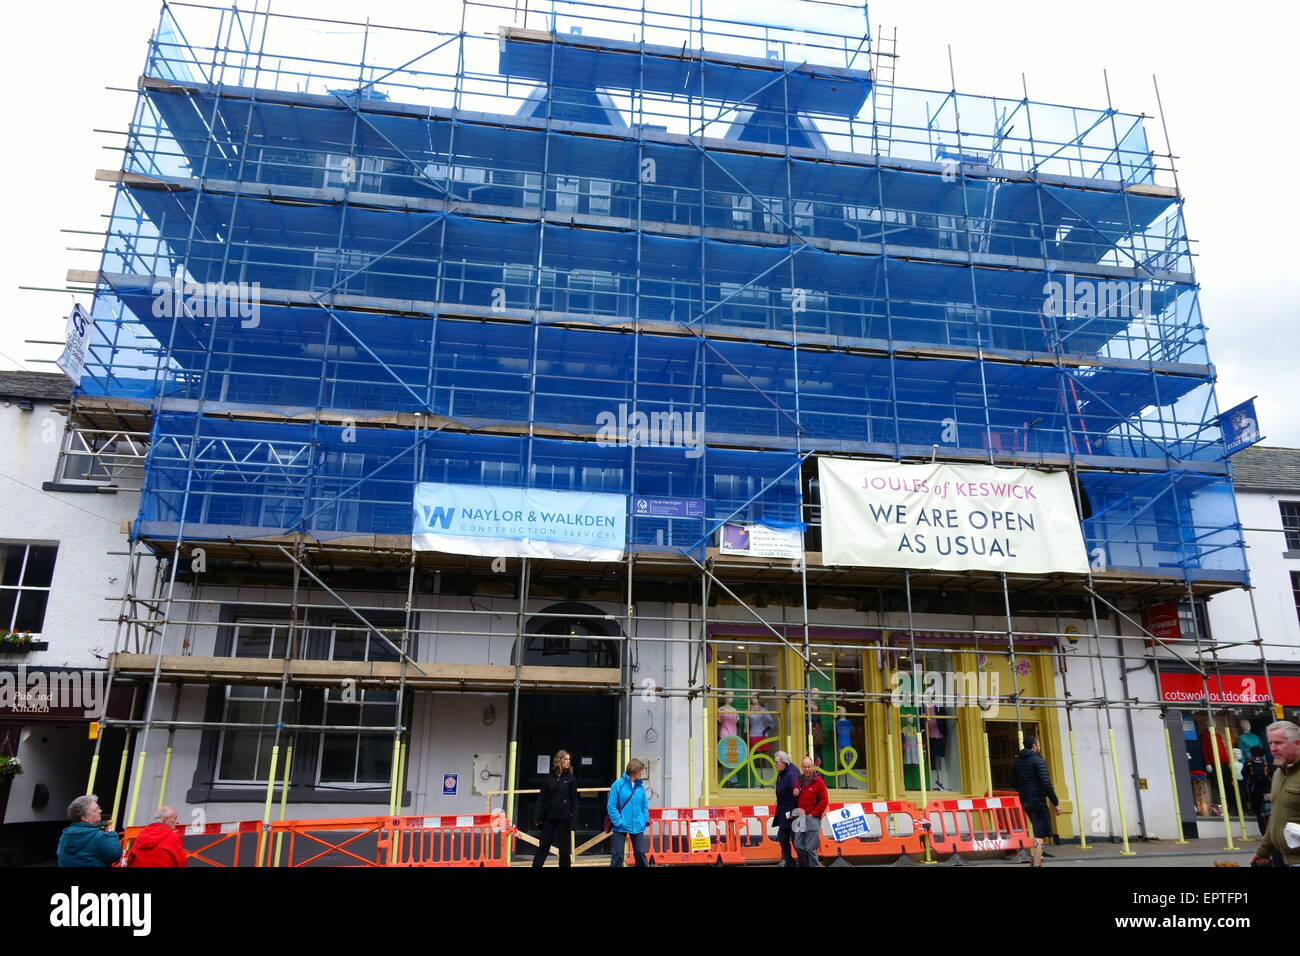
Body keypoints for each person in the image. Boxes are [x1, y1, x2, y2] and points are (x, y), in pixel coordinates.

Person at [1250, 720, 1300, 868]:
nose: (1273, 748)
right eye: (1270, 743)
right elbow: (1276, 817)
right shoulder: (1279, 773)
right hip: (1285, 859)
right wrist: (1263, 851)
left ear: (1297, 743)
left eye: (1278, 743)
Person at [1010, 735, 1060, 867]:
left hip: (1025, 801)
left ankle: (1037, 861)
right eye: (1038, 744)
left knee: (1038, 829)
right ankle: (1037, 863)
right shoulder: (1038, 761)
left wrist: (1024, 789)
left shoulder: (1016, 762)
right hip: (1037, 800)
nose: (1040, 746)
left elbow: (1013, 783)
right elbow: (1046, 784)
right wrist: (1055, 803)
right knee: (1040, 832)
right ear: (1034, 746)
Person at [532, 749, 578, 868]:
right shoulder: (549, 778)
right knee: (543, 846)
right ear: (559, 760)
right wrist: (537, 817)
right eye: (566, 759)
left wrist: (573, 823)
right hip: (549, 818)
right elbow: (542, 798)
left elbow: (574, 801)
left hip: (564, 819)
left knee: (564, 850)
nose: (568, 762)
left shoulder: (571, 779)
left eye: (569, 759)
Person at [57, 795, 122, 867]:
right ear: (84, 818)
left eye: (99, 808)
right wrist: (112, 834)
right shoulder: (98, 836)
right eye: (95, 810)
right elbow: (115, 854)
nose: (100, 811)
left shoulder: (65, 835)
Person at [607, 757, 650, 867]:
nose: (641, 773)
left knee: (640, 853)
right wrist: (618, 822)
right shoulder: (618, 785)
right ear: (634, 771)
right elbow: (611, 806)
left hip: (637, 824)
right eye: (640, 771)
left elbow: (644, 805)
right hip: (620, 825)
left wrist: (644, 819)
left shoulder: (640, 786)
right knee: (618, 855)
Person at [790, 755, 828, 867]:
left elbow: (824, 801)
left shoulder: (819, 782)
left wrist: (813, 814)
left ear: (813, 767)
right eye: (804, 767)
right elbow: (796, 797)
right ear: (802, 768)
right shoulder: (799, 780)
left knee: (811, 848)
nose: (807, 769)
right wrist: (795, 794)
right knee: (798, 845)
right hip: (800, 817)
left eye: (809, 767)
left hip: (812, 818)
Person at [772, 750, 799, 866]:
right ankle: (789, 862)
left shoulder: (791, 774)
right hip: (784, 812)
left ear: (784, 762)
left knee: (796, 841)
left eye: (776, 762)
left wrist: (793, 813)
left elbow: (796, 795)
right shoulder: (782, 772)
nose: (775, 764)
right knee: (783, 837)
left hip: (793, 813)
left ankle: (804, 862)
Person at [1242, 745, 1272, 835]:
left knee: (1259, 812)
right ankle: (1271, 832)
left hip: (1255, 789)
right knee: (1269, 810)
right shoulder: (1265, 762)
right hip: (1267, 788)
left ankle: (1264, 833)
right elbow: (1271, 773)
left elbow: (1244, 773)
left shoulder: (1249, 762)